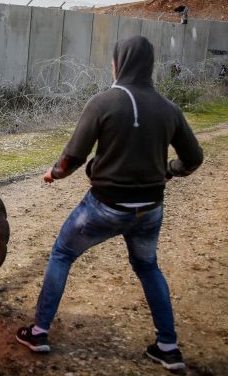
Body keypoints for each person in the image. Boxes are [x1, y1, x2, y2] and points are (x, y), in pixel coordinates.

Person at [15, 36, 203, 372]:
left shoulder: (104, 102)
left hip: (105, 208)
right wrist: (169, 171)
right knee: (147, 267)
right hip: (149, 210)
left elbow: (73, 157)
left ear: (119, 63)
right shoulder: (169, 108)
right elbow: (194, 158)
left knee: (62, 253)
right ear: (149, 66)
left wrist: (53, 175)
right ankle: (168, 347)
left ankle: (39, 332)